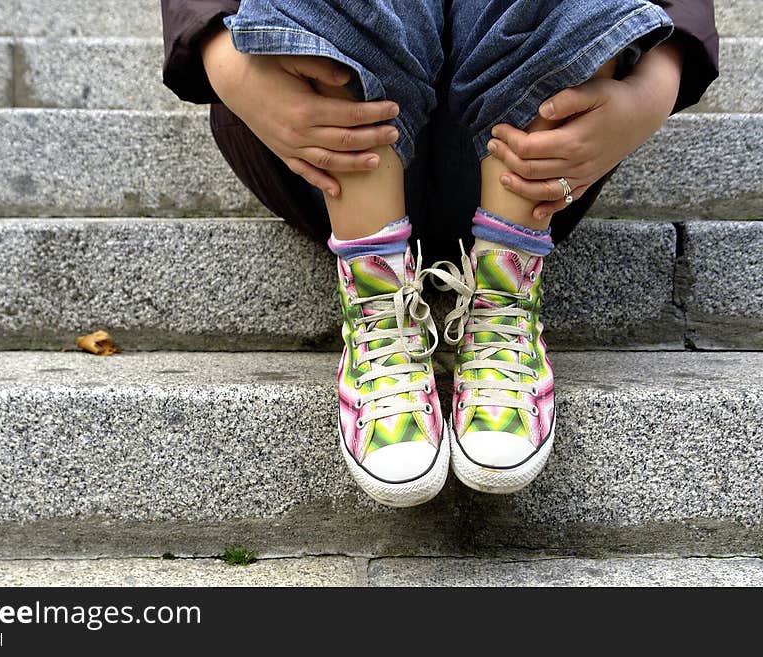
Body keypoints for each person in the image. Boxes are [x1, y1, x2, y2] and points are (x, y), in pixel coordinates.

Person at [161, 1, 719, 507]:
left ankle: (503, 297)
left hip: (543, 162)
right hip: (316, 150)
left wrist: (658, 80)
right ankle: (378, 302)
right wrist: (221, 57)